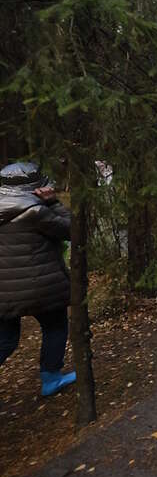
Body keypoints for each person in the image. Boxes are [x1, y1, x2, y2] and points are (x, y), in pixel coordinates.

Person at [0, 162, 77, 396]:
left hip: (4, 291)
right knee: (55, 326)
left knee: (6, 338)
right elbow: (72, 230)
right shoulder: (36, 212)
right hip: (42, 286)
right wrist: (53, 202)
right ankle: (51, 378)